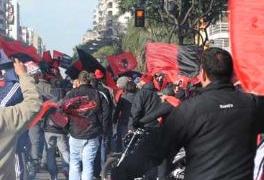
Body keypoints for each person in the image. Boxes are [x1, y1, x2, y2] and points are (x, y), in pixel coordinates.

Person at [112, 48, 264, 180]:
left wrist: (121, 172)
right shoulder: (253, 104)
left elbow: (155, 149)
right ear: (232, 74)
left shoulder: (190, 110)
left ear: (203, 75)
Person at [64, 71, 111, 180]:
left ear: (79, 81)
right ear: (90, 81)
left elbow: (62, 112)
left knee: (74, 163)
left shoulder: (70, 94)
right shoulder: (99, 94)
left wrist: (68, 129)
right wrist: (103, 131)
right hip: (92, 134)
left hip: (75, 132)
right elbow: (106, 115)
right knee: (88, 164)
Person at [42, 77, 70, 180]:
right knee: (64, 151)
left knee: (50, 153)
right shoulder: (65, 97)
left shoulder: (47, 97)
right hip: (61, 129)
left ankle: (53, 176)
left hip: (48, 129)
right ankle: (66, 168)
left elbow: (43, 112)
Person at [113, 81, 137, 151]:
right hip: (133, 120)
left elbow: (118, 109)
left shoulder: (123, 96)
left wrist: (115, 118)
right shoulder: (138, 97)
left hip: (123, 120)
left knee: (121, 138)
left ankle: (120, 152)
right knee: (130, 139)